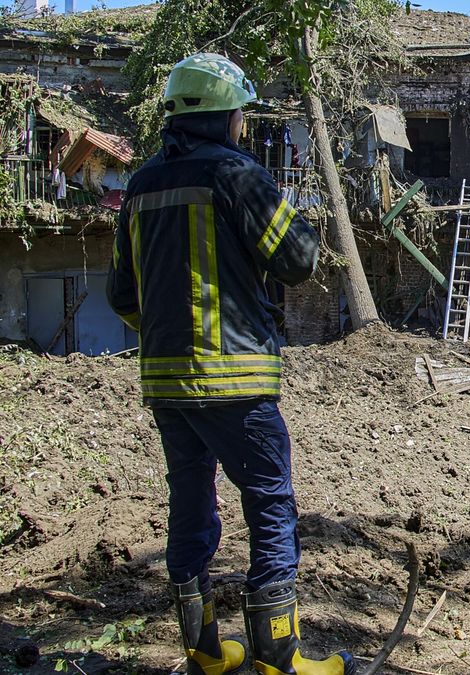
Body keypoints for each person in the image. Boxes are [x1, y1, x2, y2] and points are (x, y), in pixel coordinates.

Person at [107, 52, 356, 675]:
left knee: (190, 504)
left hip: (165, 385)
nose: (245, 124)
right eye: (241, 113)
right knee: (269, 502)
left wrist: (168, 339)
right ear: (224, 117)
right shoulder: (237, 174)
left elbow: (121, 296)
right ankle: (279, 657)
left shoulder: (139, 187)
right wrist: (292, 210)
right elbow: (297, 257)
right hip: (236, 379)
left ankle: (206, 653)